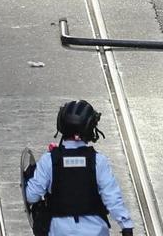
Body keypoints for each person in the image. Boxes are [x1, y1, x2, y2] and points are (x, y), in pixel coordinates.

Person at [23, 100, 135, 236]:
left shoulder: (49, 160)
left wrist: (30, 176)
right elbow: (112, 197)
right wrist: (126, 225)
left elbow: (31, 196)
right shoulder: (98, 161)